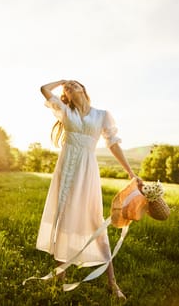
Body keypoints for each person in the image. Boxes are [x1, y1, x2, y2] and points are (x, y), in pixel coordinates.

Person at [36, 79, 142, 299]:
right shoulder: (65, 112)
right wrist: (62, 82)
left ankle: (112, 283)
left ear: (83, 89)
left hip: (87, 171)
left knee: (95, 220)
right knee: (63, 217)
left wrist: (131, 173)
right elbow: (44, 90)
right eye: (67, 87)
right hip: (66, 171)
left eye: (75, 84)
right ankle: (60, 277)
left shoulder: (101, 115)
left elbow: (113, 143)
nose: (70, 87)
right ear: (66, 94)